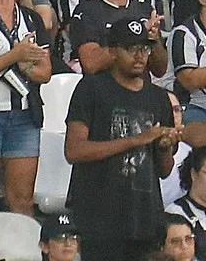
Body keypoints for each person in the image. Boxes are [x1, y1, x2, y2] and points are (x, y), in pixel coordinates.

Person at [65, 23, 179, 261]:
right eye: (131, 49)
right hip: (97, 213)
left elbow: (165, 170)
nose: (140, 56)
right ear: (113, 51)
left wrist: (164, 147)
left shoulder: (159, 98)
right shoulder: (91, 88)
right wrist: (135, 140)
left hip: (144, 214)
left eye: (145, 49)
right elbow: (74, 150)